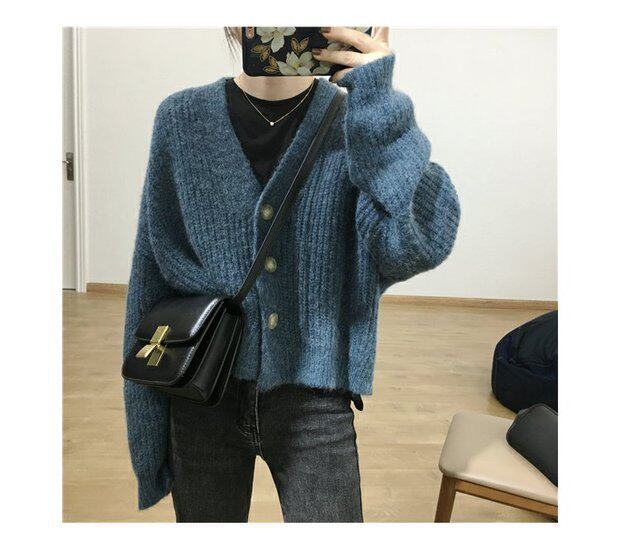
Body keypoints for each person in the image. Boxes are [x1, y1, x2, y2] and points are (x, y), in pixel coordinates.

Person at [122, 26, 460, 522]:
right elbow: (150, 275)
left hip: (316, 398)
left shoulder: (358, 123)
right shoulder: (181, 118)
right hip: (201, 389)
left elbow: (415, 245)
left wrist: (380, 108)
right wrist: (146, 426)